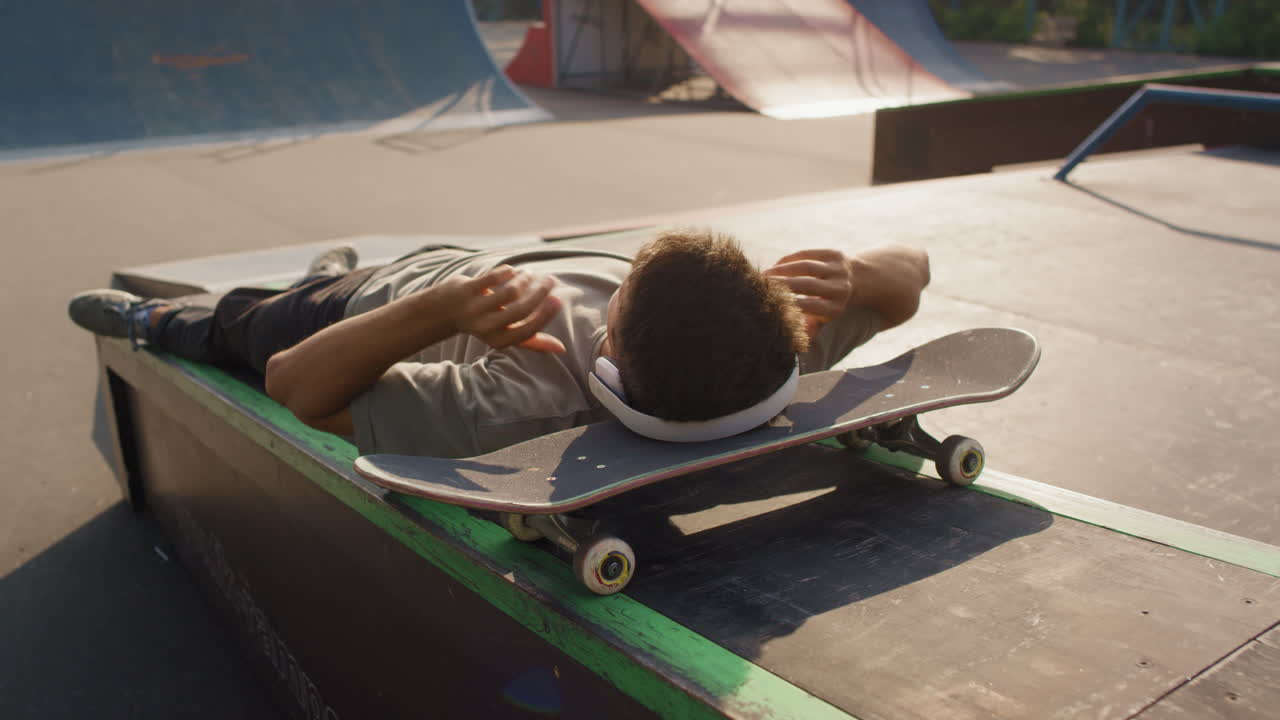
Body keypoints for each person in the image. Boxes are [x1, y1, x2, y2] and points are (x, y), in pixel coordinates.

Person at [68, 229, 930, 457]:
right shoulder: (774, 343)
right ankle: (314, 271)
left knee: (244, 327)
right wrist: (856, 276)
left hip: (385, 304)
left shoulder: (522, 402)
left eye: (614, 305)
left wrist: (444, 309)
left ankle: (153, 322)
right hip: (461, 268)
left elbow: (297, 384)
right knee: (290, 295)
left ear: (612, 364)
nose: (607, 296)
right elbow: (916, 269)